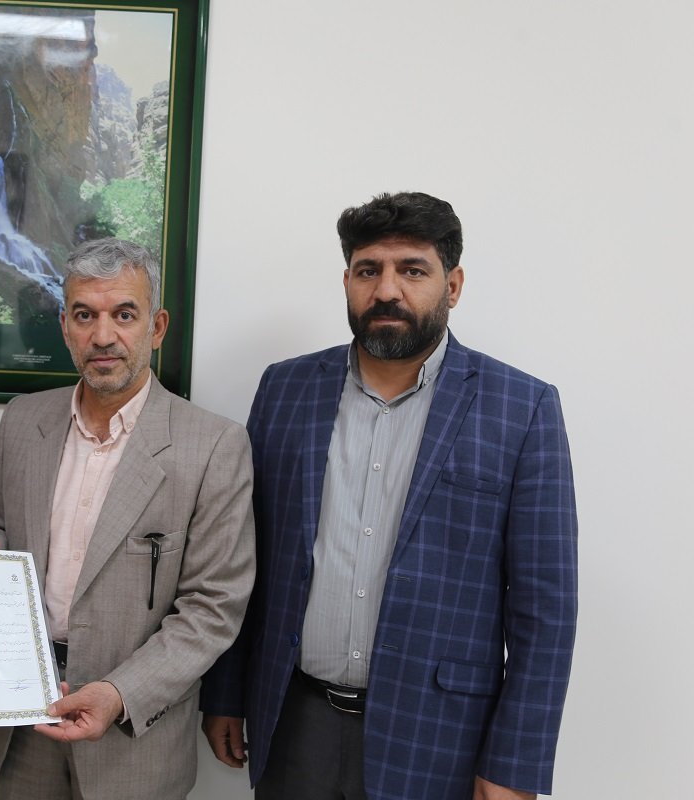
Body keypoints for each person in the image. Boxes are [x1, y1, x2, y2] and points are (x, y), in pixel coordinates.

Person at [200, 192, 578, 800]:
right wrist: (225, 691)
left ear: (453, 286)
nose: (386, 290)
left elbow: (545, 608)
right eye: (368, 270)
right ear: (347, 281)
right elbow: (245, 555)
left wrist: (514, 762)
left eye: (413, 270)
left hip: (439, 735)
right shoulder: (286, 388)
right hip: (293, 720)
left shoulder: (521, 408)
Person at [0, 238, 256, 800]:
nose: (103, 336)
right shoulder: (22, 421)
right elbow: (2, 529)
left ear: (157, 327)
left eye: (124, 315)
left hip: (135, 738)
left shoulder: (215, 446)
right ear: (65, 327)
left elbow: (213, 608)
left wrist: (118, 694)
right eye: (85, 315)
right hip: (25, 720)